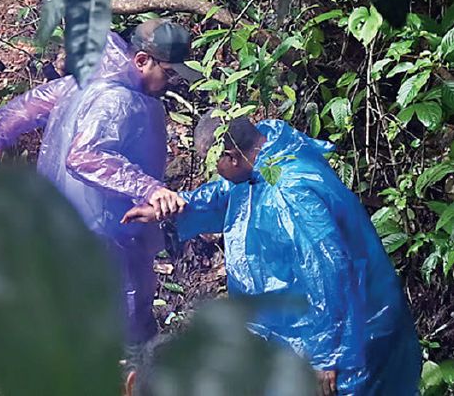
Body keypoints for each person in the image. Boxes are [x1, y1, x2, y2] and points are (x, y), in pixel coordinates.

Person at [122, 112, 422, 395]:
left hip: (351, 333)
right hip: (316, 326)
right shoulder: (265, 159)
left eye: (214, 162)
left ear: (232, 157)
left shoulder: (290, 193)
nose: (215, 172)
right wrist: (171, 208)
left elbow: (328, 270)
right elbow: (223, 196)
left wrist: (326, 356)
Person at [0, 20, 201, 348]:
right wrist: (148, 188)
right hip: (104, 235)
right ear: (141, 61)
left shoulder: (92, 79)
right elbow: (85, 157)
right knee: (124, 328)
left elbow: (35, 102)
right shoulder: (119, 101)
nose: (172, 82)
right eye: (169, 73)